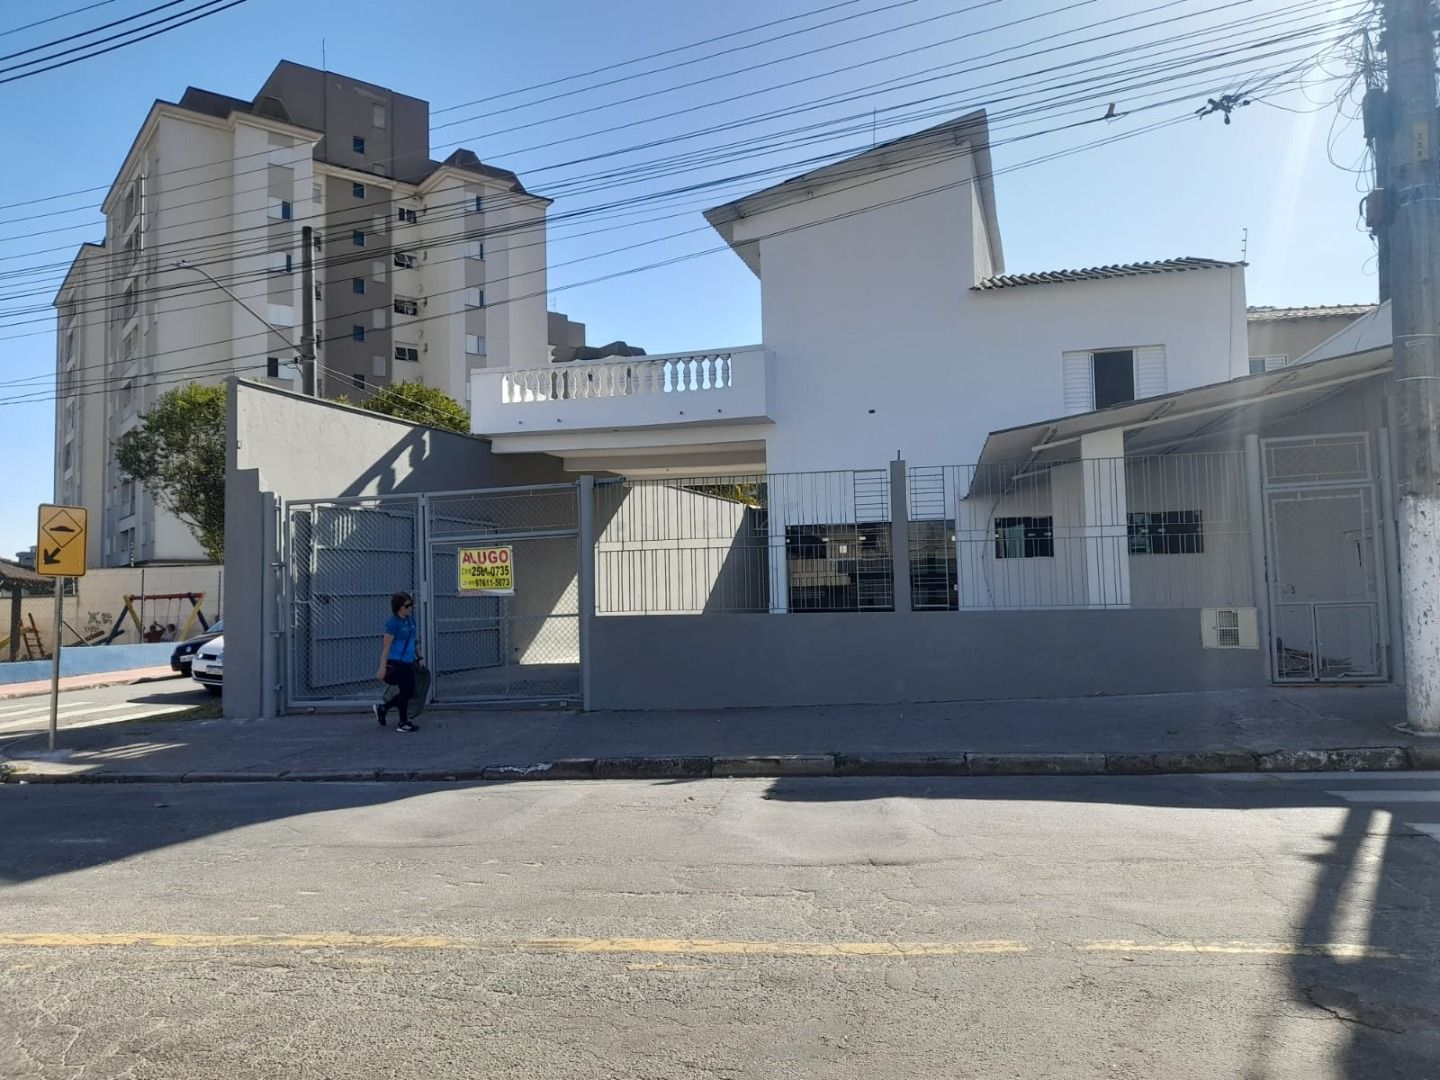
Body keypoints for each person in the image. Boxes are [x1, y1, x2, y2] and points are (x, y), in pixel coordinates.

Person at [374, 592, 421, 733]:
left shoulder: (410, 620)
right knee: (406, 691)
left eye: (411, 605)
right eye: (407, 605)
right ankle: (403, 722)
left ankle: (384, 708)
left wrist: (420, 657)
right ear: (399, 607)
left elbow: (414, 641)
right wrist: (382, 667)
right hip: (397, 662)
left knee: (410, 692)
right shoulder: (393, 623)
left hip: (408, 661)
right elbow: (386, 645)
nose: (410, 608)